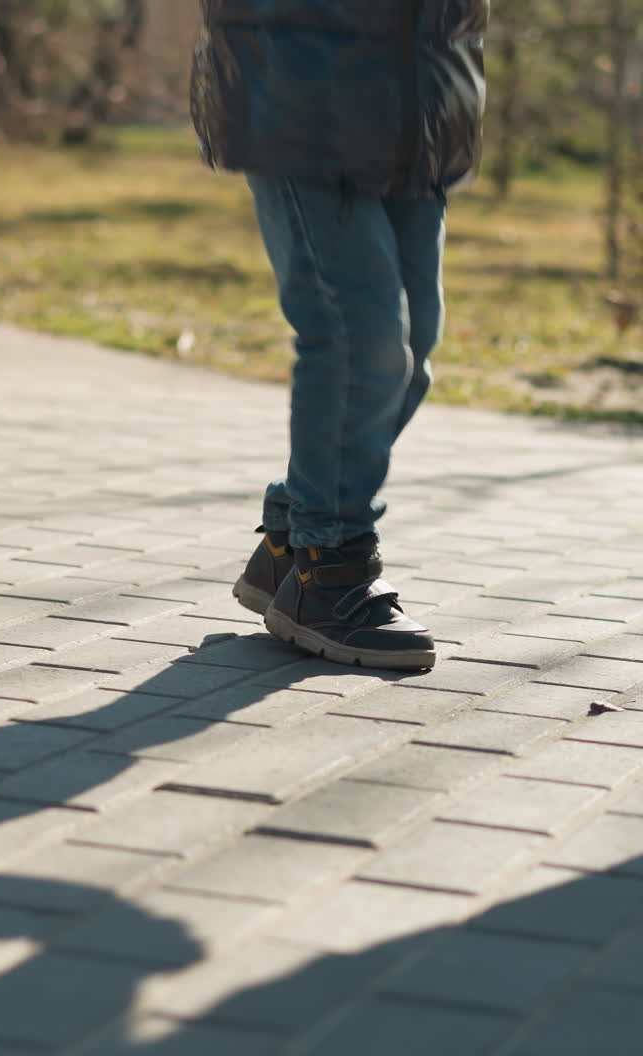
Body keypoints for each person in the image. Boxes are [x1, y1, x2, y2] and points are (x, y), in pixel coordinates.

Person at [190, 0, 489, 669]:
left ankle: (291, 538)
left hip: (424, 96)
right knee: (361, 339)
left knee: (409, 356)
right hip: (307, 85)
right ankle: (329, 569)